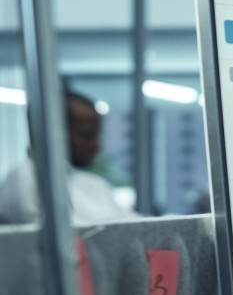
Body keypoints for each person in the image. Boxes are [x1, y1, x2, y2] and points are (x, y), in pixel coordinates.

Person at [0, 85, 133, 224]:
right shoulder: (24, 184)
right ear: (53, 133)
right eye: (87, 135)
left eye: (96, 135)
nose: (97, 145)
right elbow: (65, 241)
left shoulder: (93, 184)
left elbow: (136, 228)